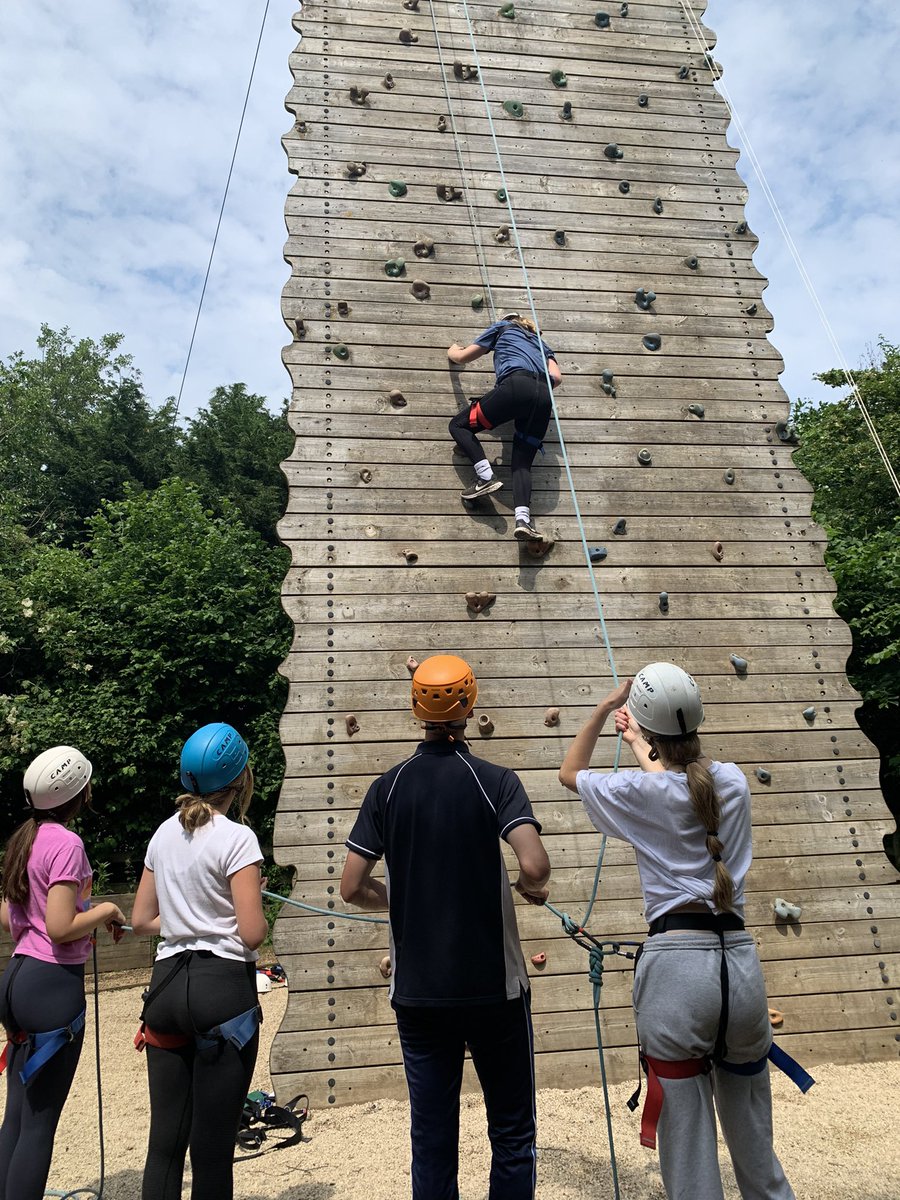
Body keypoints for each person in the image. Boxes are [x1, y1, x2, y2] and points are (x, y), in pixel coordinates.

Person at [558, 664, 795, 1200]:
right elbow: (682, 783)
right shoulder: (731, 780)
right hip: (739, 964)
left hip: (678, 969)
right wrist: (642, 738)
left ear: (647, 726)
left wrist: (604, 710)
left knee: (687, 1153)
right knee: (758, 1150)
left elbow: (571, 773)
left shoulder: (638, 793)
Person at [340, 654, 551, 1200]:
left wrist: (401, 898)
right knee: (511, 1130)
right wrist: (531, 888)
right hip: (495, 991)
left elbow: (351, 886)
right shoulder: (496, 782)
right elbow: (534, 867)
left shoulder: (386, 788)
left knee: (432, 1137)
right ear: (470, 705)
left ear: (417, 711)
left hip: (419, 993)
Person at [131, 722, 268, 1200]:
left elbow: (142, 917)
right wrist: (248, 900)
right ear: (240, 780)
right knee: (210, 1152)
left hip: (167, 985)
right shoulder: (237, 839)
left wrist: (186, 917)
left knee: (165, 1146)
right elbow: (252, 933)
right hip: (221, 990)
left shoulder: (162, 835)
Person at [0, 746, 126, 1200]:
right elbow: (59, 927)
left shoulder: (23, 839)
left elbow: (9, 915)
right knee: (39, 1126)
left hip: (16, 978)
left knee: (15, 1118)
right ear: (80, 792)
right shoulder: (67, 844)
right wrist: (107, 909)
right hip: (52, 986)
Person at [447, 312, 562, 542]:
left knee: (459, 426)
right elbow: (556, 378)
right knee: (522, 463)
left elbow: (463, 357)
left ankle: (485, 476)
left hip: (516, 386)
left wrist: (452, 350)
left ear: (510, 321)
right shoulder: (542, 343)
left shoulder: (502, 328)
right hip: (543, 397)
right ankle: (523, 521)